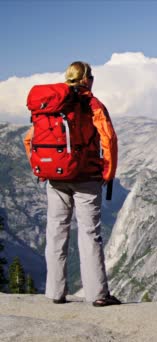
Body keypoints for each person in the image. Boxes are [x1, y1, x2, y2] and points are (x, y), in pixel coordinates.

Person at [23, 61, 121, 307]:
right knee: (89, 234)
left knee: (56, 231)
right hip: (86, 177)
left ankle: (55, 293)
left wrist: (42, 166)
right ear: (86, 79)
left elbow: (29, 139)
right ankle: (97, 294)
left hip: (55, 177)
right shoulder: (91, 104)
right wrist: (107, 172)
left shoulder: (50, 105)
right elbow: (108, 138)